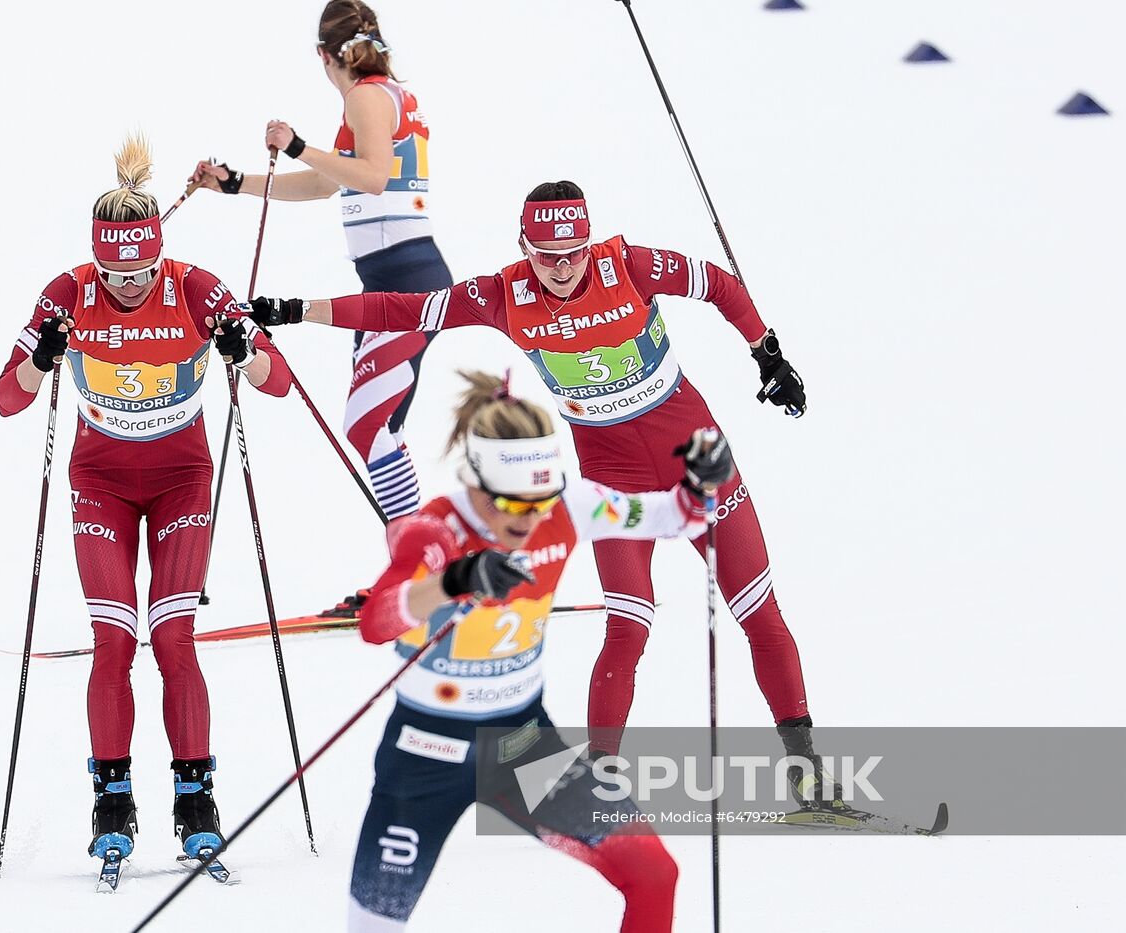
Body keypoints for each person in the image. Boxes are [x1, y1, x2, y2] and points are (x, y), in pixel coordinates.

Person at [246, 181, 843, 805]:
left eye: (574, 253)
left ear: (589, 243)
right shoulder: (503, 293)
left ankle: (805, 770)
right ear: (524, 247)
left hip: (695, 454)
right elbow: (406, 311)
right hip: (612, 472)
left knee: (758, 611)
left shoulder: (631, 265)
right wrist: (298, 309)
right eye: (546, 255)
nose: (561, 269)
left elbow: (718, 283)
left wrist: (766, 353)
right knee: (629, 626)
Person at [0, 134, 291, 870]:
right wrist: (39, 360)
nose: (129, 284)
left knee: (174, 636)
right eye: (115, 271)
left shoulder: (195, 288)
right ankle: (112, 801)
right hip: (100, 484)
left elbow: (277, 381)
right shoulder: (68, 292)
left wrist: (240, 346)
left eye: (142, 269)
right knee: (114, 641)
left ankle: (196, 800)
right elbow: (5, 401)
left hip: (183, 479)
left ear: (162, 253)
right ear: (97, 260)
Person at [346, 370, 732, 932]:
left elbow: (676, 517)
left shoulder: (569, 507)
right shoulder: (435, 529)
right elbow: (376, 622)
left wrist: (699, 485)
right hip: (425, 753)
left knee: (654, 874)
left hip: (522, 747)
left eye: (540, 502)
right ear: (475, 480)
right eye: (511, 504)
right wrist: (454, 581)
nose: (529, 520)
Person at [187, 0, 451, 541]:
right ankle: (418, 561)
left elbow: (373, 177)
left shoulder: (366, 97)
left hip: (405, 283)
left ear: (324, 55)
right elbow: (327, 183)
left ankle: (419, 564)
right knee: (381, 428)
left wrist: (300, 144)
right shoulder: (380, 97)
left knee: (369, 425)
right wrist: (237, 183)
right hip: (393, 278)